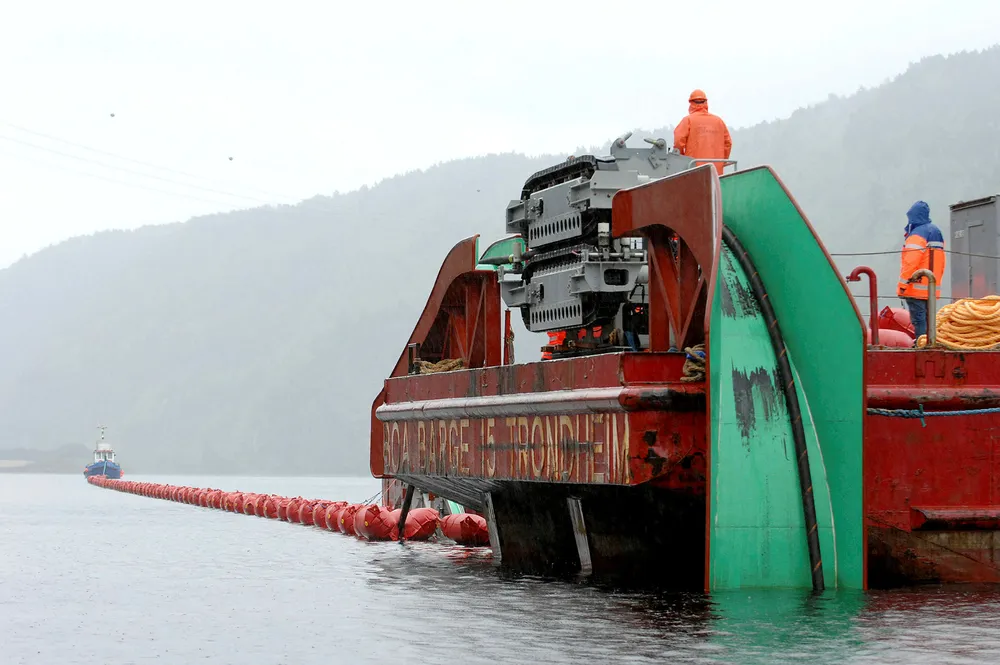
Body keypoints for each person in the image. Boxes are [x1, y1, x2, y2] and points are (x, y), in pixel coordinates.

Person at [897, 200, 945, 342]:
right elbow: (941, 262)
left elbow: (911, 262)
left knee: (919, 321)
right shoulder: (936, 232)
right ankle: (930, 344)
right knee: (930, 321)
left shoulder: (917, 235)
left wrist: (902, 285)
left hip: (916, 287)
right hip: (931, 287)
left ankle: (921, 347)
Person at [673, 89, 733, 175]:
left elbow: (678, 141)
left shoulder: (688, 120)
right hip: (716, 172)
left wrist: (682, 159)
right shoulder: (718, 121)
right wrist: (722, 162)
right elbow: (728, 143)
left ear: (691, 103)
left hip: (694, 170)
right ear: (706, 103)